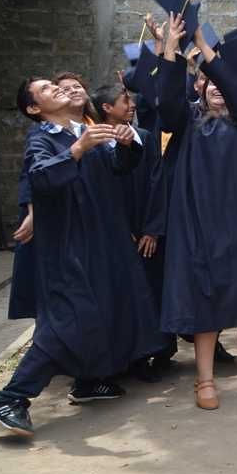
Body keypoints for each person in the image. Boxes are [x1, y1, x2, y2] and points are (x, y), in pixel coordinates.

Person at [0, 78, 162, 437]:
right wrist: (78, 149)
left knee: (106, 306)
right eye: (48, 90)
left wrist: (127, 146)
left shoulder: (87, 129)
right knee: (68, 320)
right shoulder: (42, 138)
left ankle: (87, 382)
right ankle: (11, 398)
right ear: (35, 109)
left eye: (56, 84)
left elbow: (118, 166)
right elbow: (40, 178)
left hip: (104, 238)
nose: (58, 89)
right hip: (68, 245)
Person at [156, 14, 237, 410]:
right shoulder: (188, 122)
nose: (217, 88)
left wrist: (205, 46)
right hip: (199, 223)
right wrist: (172, 49)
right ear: (198, 87)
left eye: (222, 84)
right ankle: (204, 378)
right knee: (205, 299)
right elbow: (166, 103)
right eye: (208, 83)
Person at [92, 82, 176, 381]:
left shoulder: (145, 138)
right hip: (112, 233)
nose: (131, 105)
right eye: (124, 100)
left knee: (152, 292)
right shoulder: (93, 143)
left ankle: (153, 355)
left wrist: (152, 230)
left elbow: (157, 183)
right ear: (106, 108)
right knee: (119, 295)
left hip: (145, 232)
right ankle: (121, 358)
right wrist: (118, 230)